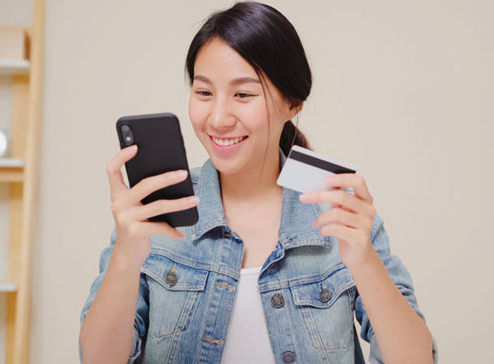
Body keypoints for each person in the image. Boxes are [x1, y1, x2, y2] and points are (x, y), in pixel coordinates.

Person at [79, 2, 437, 363]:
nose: (218, 118)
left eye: (243, 94)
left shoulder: (341, 214)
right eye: (204, 93)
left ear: (292, 103)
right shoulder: (154, 213)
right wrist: (126, 255)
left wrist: (364, 260)